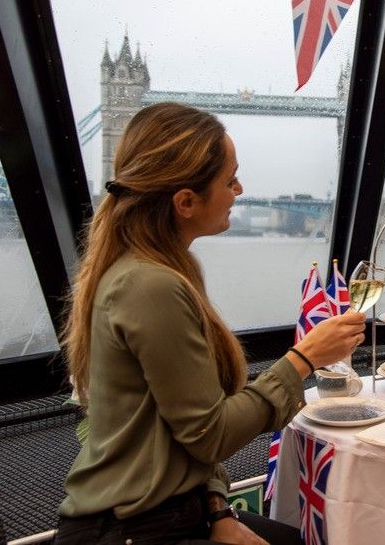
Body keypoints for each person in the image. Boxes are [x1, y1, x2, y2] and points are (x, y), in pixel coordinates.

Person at [55, 102, 366, 545]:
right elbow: (210, 433)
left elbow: (185, 429)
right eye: (229, 178)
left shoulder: (157, 270)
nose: (240, 189)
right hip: (132, 530)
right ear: (185, 201)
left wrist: (219, 509)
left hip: (177, 512)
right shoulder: (149, 285)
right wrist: (305, 358)